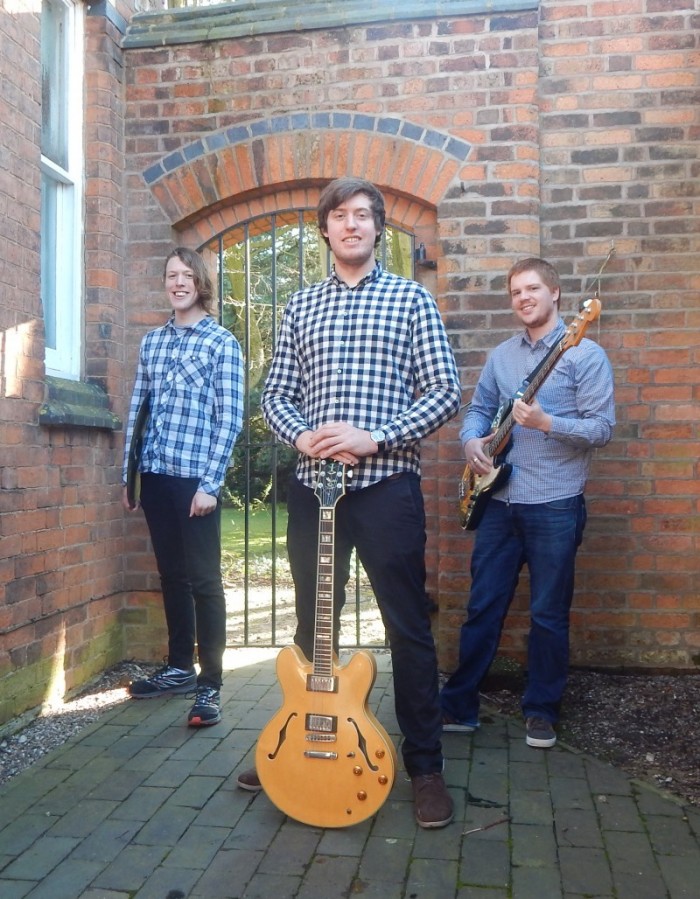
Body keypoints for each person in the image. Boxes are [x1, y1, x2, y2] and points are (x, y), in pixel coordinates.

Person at [236, 177, 462, 828]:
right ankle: (291, 743)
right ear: (326, 230)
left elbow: (444, 392)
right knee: (313, 626)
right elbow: (275, 394)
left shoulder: (411, 300)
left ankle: (425, 768)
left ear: (377, 227)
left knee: (408, 625)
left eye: (363, 215)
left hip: (387, 485)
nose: (352, 225)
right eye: (340, 216)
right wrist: (302, 433)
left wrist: (375, 434)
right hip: (314, 490)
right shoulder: (300, 307)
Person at [441, 257, 615, 748]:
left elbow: (602, 429)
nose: (524, 298)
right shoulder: (502, 355)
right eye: (516, 291)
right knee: (482, 607)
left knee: (547, 614)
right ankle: (458, 705)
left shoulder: (584, 354)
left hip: (555, 504)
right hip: (498, 501)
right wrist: (472, 441)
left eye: (532, 288)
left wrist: (547, 423)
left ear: (555, 293)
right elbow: (478, 409)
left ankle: (541, 710)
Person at [122, 247, 244, 727]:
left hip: (196, 481)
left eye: (186, 275)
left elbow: (229, 419)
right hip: (154, 476)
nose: (178, 282)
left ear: (201, 282)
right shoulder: (152, 342)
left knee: (205, 581)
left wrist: (210, 484)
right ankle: (179, 668)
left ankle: (210, 685)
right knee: (171, 576)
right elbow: (138, 410)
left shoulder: (221, 344)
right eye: (171, 275)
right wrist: (128, 475)